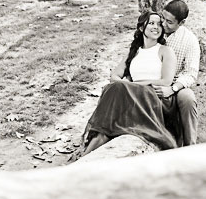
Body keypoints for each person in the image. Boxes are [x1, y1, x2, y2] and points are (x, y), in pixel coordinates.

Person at [69, 11, 179, 160]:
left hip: (152, 95)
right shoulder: (134, 51)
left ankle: (95, 144)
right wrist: (125, 83)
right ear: (141, 28)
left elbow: (166, 81)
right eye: (151, 23)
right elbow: (114, 76)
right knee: (111, 87)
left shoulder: (165, 51)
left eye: (159, 24)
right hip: (131, 93)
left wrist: (135, 84)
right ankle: (96, 143)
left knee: (119, 89)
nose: (156, 27)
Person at [157, 0, 201, 146]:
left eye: (169, 22)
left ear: (181, 23)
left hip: (176, 85)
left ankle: (190, 146)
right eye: (162, 17)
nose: (163, 23)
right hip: (153, 80)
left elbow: (191, 73)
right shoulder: (154, 30)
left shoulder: (190, 41)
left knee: (188, 98)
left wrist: (173, 88)